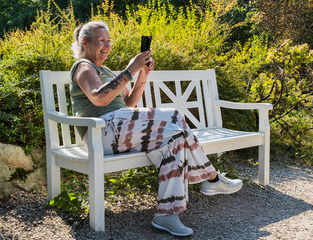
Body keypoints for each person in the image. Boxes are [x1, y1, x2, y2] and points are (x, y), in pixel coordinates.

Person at [70, 21, 243, 237]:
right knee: (174, 116)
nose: (107, 45)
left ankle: (166, 215)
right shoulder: (83, 67)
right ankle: (211, 178)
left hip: (119, 128)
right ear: (85, 42)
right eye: (101, 41)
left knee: (175, 142)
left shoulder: (104, 70)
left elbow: (130, 103)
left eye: (109, 41)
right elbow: (99, 98)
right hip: (101, 132)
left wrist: (142, 75)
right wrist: (130, 68)